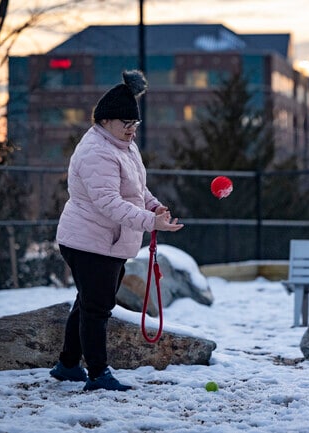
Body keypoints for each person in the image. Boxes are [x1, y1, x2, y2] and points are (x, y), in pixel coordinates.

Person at [50, 70, 183, 391]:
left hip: (107, 242)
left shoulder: (122, 146)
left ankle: (68, 365)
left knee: (88, 303)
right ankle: (98, 374)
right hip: (88, 242)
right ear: (106, 121)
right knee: (97, 309)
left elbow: (137, 189)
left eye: (135, 125)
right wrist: (151, 223)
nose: (132, 131)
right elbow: (108, 203)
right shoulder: (97, 151)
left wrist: (154, 207)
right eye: (127, 125)